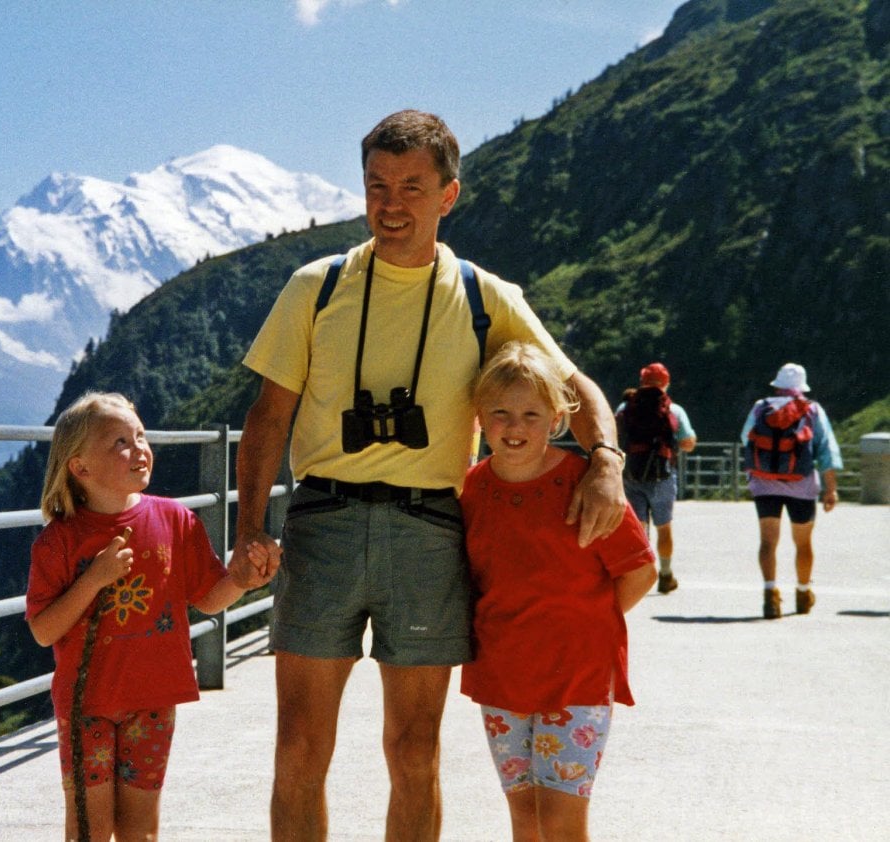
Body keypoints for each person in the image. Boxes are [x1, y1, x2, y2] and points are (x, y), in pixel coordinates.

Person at [232, 109, 627, 841]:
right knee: (298, 748)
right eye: (377, 184)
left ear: (449, 195)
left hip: (431, 531)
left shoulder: (484, 296)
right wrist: (248, 528)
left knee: (414, 751)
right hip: (324, 522)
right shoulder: (314, 287)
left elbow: (577, 388)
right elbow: (267, 418)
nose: (391, 203)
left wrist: (605, 460)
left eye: (412, 187)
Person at [25, 391, 277, 841]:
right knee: (88, 829)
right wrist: (93, 579)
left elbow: (208, 598)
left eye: (140, 436)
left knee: (140, 831)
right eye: (119, 442)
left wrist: (242, 579)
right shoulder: (58, 542)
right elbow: (44, 631)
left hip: (155, 699)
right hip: (87, 705)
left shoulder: (176, 520)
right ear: (79, 468)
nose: (138, 448)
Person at [461, 342, 656, 842]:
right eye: (500, 413)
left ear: (556, 420)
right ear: (479, 418)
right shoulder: (471, 490)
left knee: (562, 821)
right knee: (525, 817)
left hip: (578, 677)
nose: (515, 426)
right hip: (502, 673)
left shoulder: (585, 484)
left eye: (531, 414)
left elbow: (640, 571)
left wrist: (585, 621)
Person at [741, 363, 842, 619]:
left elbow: (745, 438)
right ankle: (803, 593)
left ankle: (770, 595)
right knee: (803, 542)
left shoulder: (760, 407)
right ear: (801, 388)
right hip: (802, 485)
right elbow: (826, 451)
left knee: (767, 541)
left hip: (764, 484)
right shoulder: (812, 410)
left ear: (777, 385)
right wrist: (831, 490)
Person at [615, 362, 697, 594]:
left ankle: (638, 575)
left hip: (631, 473)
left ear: (642, 381)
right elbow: (688, 442)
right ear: (666, 383)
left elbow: (615, 432)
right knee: (664, 527)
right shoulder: (674, 409)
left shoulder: (626, 405)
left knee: (638, 528)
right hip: (662, 475)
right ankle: (666, 575)